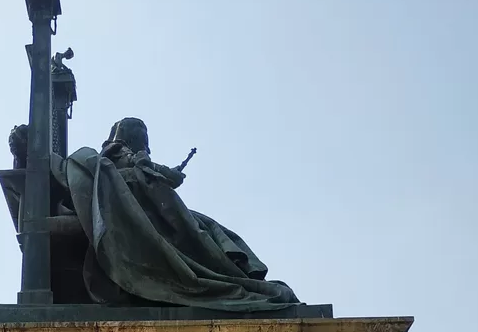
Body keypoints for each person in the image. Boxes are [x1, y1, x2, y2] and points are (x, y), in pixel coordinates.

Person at [53, 118, 300, 310]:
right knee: (201, 230)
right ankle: (229, 275)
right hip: (135, 217)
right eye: (143, 141)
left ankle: (233, 272)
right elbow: (147, 180)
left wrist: (161, 176)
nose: (145, 148)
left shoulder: (111, 160)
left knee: (209, 227)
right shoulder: (113, 159)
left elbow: (154, 179)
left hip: (146, 212)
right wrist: (157, 175)